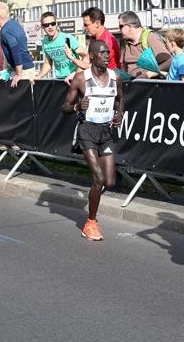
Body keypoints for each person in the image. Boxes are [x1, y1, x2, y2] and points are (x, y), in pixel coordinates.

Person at [61, 40, 124, 241]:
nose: (107, 56)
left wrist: (119, 114)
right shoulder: (81, 78)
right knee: (98, 179)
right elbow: (65, 107)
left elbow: (120, 99)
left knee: (110, 181)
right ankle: (90, 223)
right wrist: (77, 107)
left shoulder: (115, 77)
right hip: (87, 130)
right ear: (92, 56)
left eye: (108, 53)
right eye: (103, 53)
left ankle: (94, 197)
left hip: (106, 131)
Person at [0, 1, 36, 87]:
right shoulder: (15, 24)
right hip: (28, 68)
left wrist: (18, 74)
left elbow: (15, 50)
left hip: (23, 71)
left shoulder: (5, 30)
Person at [36, 11, 88, 82]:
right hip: (60, 79)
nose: (50, 27)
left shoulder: (67, 38)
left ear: (56, 24)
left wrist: (75, 74)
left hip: (74, 78)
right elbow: (48, 63)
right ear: (42, 26)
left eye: (53, 24)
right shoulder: (45, 42)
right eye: (46, 25)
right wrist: (39, 76)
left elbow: (86, 56)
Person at [119, 10, 172, 78]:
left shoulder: (150, 37)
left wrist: (149, 74)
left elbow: (169, 62)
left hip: (150, 83)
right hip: (132, 83)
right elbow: (123, 67)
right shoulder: (125, 43)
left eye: (120, 26)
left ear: (129, 26)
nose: (119, 29)